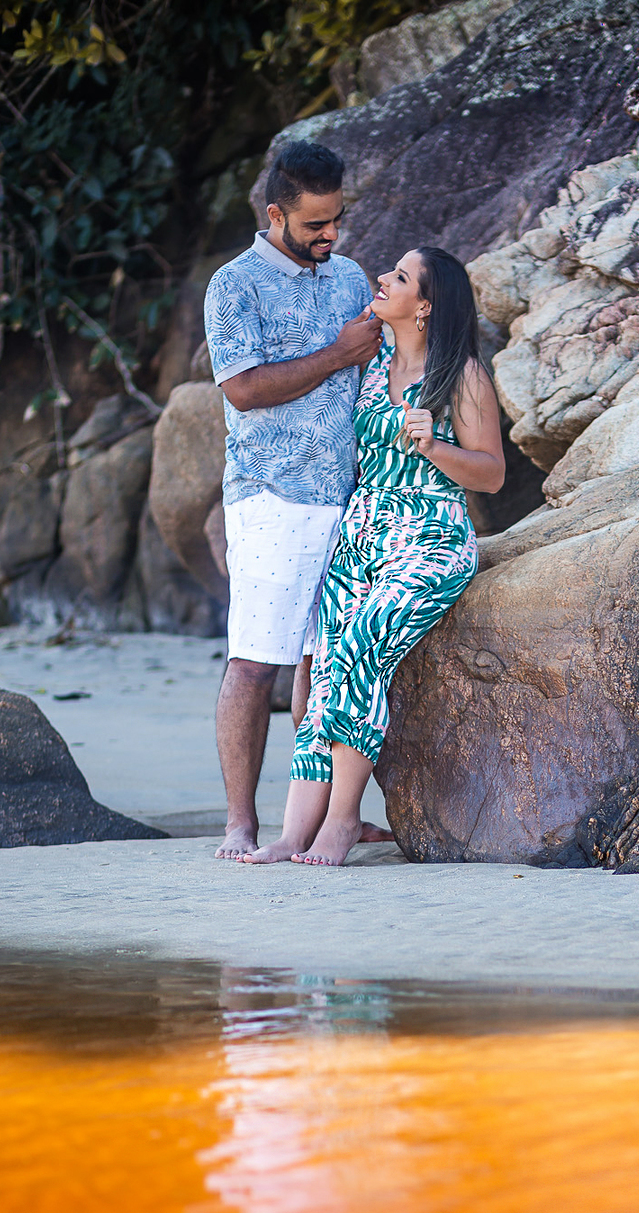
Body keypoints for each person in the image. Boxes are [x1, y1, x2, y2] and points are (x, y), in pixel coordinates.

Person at [246, 246, 505, 867]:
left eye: (401, 277)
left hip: (429, 536)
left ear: (425, 305)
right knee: (328, 666)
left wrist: (434, 445)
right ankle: (293, 832)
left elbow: (492, 474)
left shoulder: (460, 374)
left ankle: (341, 822)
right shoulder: (373, 360)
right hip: (361, 535)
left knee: (362, 640)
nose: (383, 279)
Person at [203, 138, 391, 859]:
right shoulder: (234, 285)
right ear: (276, 213)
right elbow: (244, 390)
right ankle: (239, 821)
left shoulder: (347, 278)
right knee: (257, 660)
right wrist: (342, 354)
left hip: (351, 499)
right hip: (271, 498)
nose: (330, 235)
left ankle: (308, 823)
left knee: (326, 662)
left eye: (336, 219)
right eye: (315, 223)